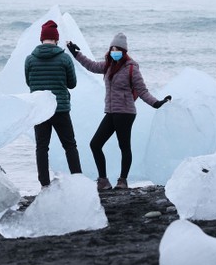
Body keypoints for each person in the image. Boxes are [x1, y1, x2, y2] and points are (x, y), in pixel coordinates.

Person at [66, 32, 171, 191]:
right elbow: (91, 65)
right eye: (112, 49)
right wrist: (75, 53)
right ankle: (103, 180)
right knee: (95, 144)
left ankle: (123, 180)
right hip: (111, 112)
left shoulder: (131, 68)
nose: (115, 52)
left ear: (124, 51)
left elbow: (142, 91)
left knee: (124, 146)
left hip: (126, 113)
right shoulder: (108, 65)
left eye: (118, 50)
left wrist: (156, 103)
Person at [24, 19, 82, 188]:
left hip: (40, 110)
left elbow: (29, 83)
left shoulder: (30, 59)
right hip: (61, 108)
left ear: (41, 39)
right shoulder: (64, 58)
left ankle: (44, 184)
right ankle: (77, 180)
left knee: (42, 147)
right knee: (70, 146)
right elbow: (72, 84)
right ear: (56, 39)